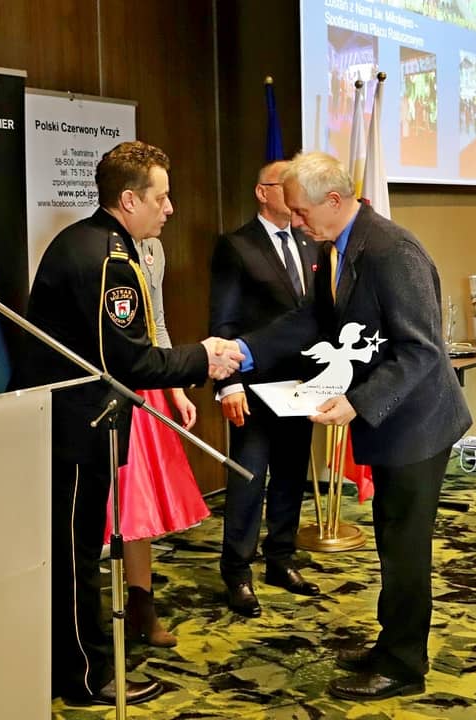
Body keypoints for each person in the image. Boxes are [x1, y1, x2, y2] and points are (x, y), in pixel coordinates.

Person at [229, 151, 472, 701]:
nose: (295, 221)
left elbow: (421, 349)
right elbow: (312, 320)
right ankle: (392, 645)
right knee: (391, 539)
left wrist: (359, 402)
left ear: (334, 200)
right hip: (392, 421)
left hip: (417, 424)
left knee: (404, 547)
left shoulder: (392, 251)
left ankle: (404, 666)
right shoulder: (333, 246)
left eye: (300, 211)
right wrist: (245, 350)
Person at [15, 140, 242, 707]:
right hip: (75, 430)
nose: (170, 208)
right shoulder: (110, 259)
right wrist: (203, 357)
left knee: (75, 553)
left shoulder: (90, 240)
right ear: (129, 200)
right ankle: (84, 678)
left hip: (74, 423)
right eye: (161, 198)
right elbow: (131, 361)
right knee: (75, 560)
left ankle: (74, 666)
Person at [209, 160, 321, 618]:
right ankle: (237, 572)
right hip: (252, 388)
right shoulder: (236, 246)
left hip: (301, 384)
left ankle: (281, 559)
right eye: (286, 186)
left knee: (292, 476)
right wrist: (228, 384)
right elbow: (223, 322)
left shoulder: (310, 241)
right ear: (262, 192)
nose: (296, 195)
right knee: (248, 480)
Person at [109, 235, 210, 647]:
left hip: (147, 383)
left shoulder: (155, 248)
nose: (168, 209)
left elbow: (159, 323)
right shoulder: (98, 249)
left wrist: (176, 389)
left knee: (138, 506)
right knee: (110, 502)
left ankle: (141, 604)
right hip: (110, 386)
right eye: (161, 202)